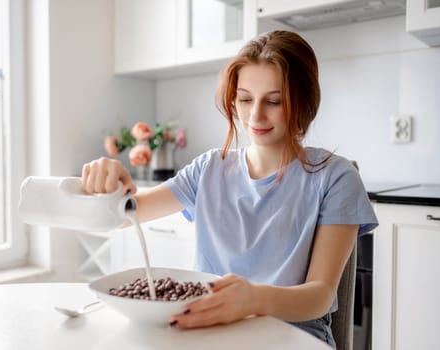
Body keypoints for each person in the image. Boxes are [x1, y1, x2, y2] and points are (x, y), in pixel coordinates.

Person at [81, 30, 378, 348]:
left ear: (303, 102)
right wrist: (109, 181)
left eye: (274, 101)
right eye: (245, 99)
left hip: (294, 337)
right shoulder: (208, 169)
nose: (255, 115)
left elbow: (319, 295)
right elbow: (125, 215)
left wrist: (254, 299)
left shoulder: (335, 177)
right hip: (208, 332)